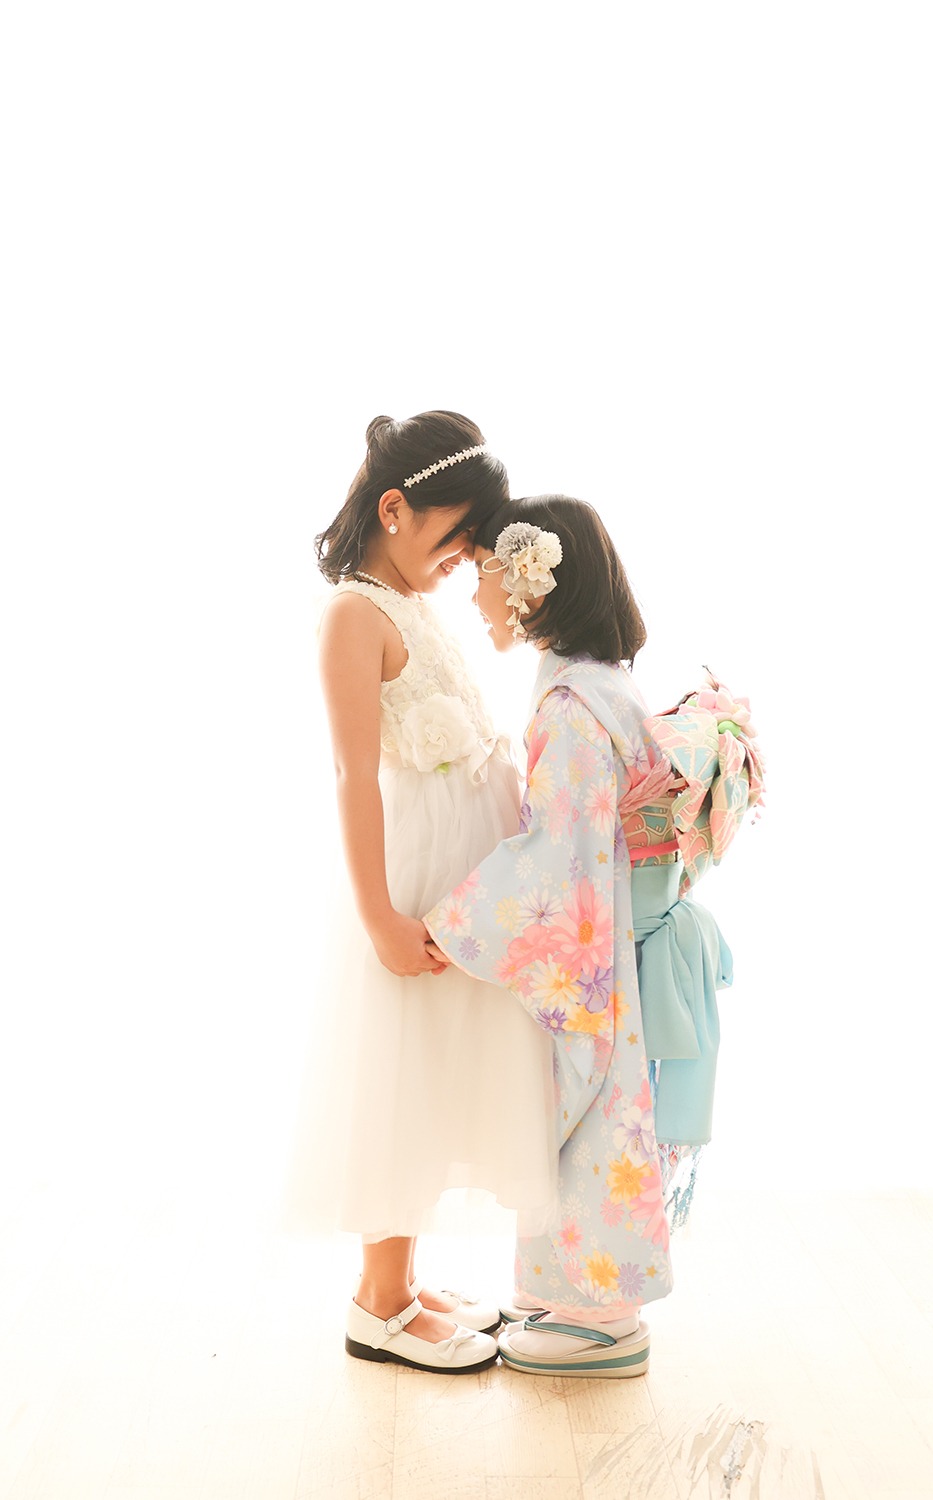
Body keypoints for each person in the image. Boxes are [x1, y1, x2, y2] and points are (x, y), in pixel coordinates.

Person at [424, 496, 762, 1378]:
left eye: (486, 576)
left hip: (599, 938)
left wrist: (448, 923)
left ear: (535, 584)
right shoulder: (593, 681)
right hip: (617, 928)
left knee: (593, 1122)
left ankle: (603, 1316)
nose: (476, 596)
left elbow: (556, 857)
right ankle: (565, 1292)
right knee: (593, 1119)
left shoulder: (574, 706)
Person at [293, 414, 557, 1376]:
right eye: (455, 536)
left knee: (437, 1073)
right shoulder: (353, 614)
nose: (463, 558)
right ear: (394, 509)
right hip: (410, 876)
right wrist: (379, 917)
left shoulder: (410, 604)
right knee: (398, 1075)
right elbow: (353, 775)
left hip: (457, 880)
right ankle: (379, 1302)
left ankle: (403, 1281)